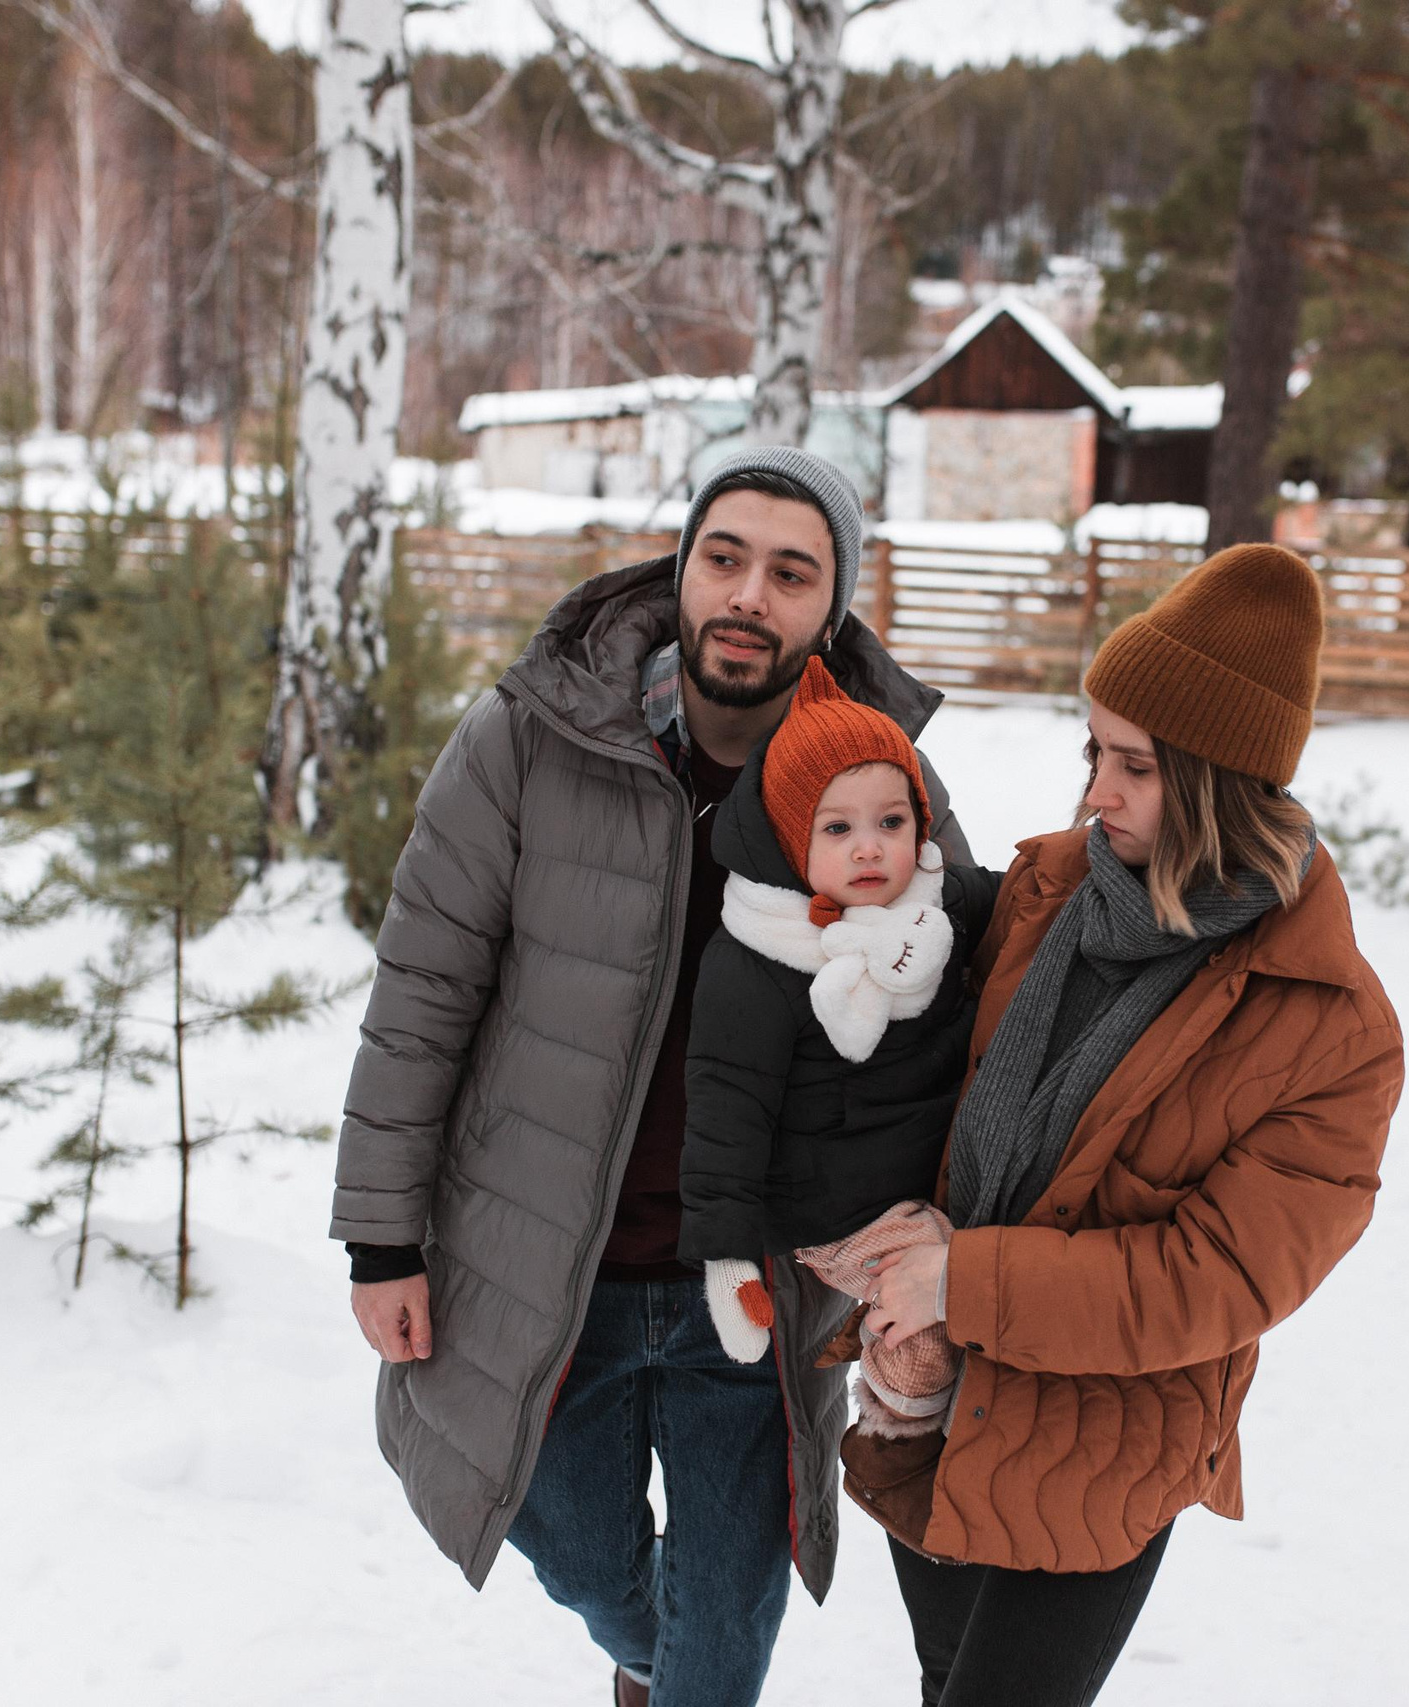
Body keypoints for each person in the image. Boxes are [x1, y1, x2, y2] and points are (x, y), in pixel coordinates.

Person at [329, 447, 971, 1707]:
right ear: (681, 565)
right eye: (724, 557)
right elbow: (421, 995)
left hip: (758, 1281)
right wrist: (380, 1238)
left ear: (830, 608)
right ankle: (645, 1657)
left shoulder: (877, 780)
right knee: (578, 1556)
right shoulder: (527, 736)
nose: (749, 595)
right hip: (546, 1270)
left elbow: (951, 988)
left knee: (725, 1641)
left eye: (792, 573)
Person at [844, 543, 1407, 1707]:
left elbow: (1211, 1284)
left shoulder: (1329, 1029)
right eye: (1091, 750)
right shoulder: (1042, 893)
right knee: (944, 1675)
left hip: (1107, 1447)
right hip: (942, 1392)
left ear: (1219, 783)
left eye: (1135, 767)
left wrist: (966, 1279)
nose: (1095, 791)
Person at [676, 656, 999, 1437]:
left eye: (891, 822)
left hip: (944, 1168)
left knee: (1015, 1291)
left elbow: (1026, 898)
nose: (869, 849)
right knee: (929, 1342)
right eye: (838, 827)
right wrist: (730, 1261)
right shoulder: (758, 955)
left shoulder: (935, 900)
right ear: (794, 838)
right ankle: (900, 1426)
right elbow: (727, 1110)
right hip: (843, 1209)